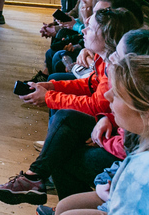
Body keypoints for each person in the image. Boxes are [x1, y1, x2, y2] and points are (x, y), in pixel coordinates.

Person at [0, 8, 140, 206]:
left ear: (108, 36)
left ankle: (48, 186)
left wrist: (50, 97)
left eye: (90, 28)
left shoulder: (118, 67)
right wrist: (52, 87)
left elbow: (100, 105)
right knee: (62, 107)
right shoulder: (107, 60)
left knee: (63, 149)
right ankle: (39, 178)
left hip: (118, 146)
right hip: (112, 129)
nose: (83, 30)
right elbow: (92, 86)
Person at [54, 53, 149, 214]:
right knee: (64, 208)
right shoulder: (140, 140)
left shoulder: (143, 167)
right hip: (116, 195)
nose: (107, 96)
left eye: (117, 94)